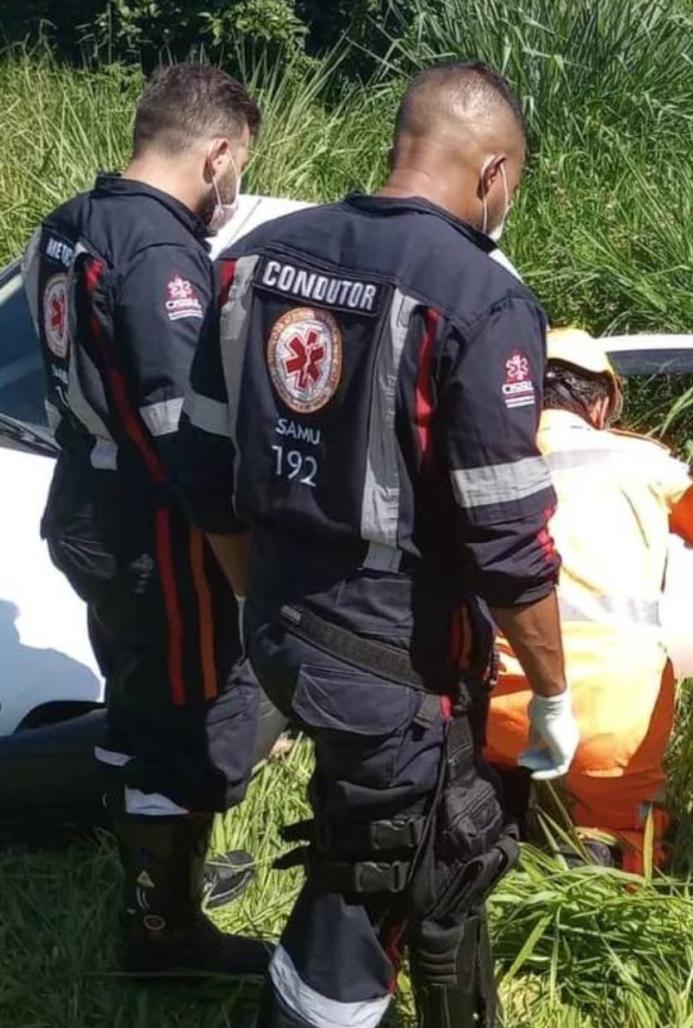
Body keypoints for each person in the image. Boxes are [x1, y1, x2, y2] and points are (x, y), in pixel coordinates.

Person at [175, 62, 579, 1028]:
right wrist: (553, 695)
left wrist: (254, 599)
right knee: (371, 887)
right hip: (392, 663)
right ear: (493, 175)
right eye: (511, 186)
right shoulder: (479, 299)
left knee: (407, 839)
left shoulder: (252, 259)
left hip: (283, 628)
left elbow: (202, 470)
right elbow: (507, 541)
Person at [17, 63, 271, 976]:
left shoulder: (65, 223)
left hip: (86, 507)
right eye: (239, 168)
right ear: (218, 155)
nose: (232, 188)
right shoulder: (161, 252)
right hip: (155, 531)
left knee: (133, 700)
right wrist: (243, 572)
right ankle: (164, 934)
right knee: (187, 723)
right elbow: (184, 435)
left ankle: (157, 881)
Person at [484, 328, 693, 873]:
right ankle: (605, 875)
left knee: (481, 790)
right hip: (616, 708)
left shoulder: (487, 462)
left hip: (502, 698)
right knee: (623, 825)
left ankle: (489, 853)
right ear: (601, 403)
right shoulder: (643, 464)